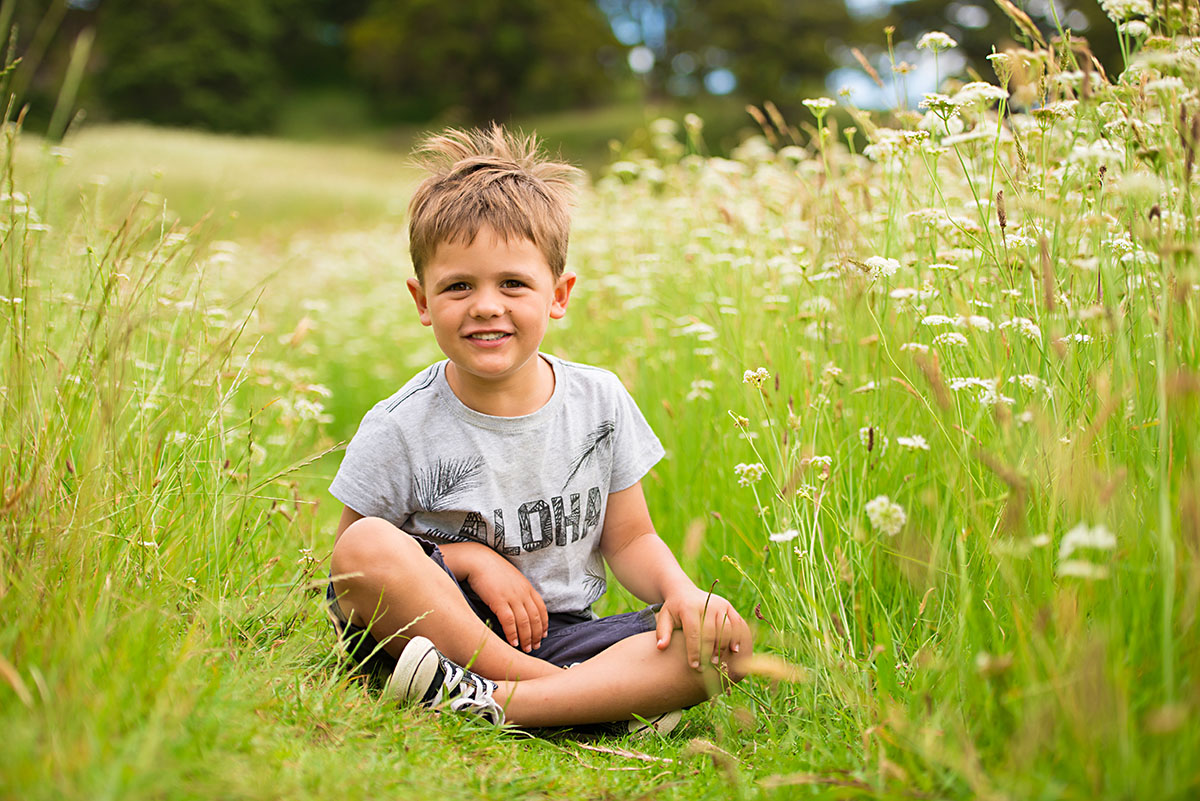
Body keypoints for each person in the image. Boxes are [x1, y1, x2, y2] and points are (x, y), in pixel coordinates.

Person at [327, 125, 752, 731]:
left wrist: (682, 593)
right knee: (367, 544)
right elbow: (350, 568)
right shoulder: (401, 423)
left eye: (513, 284)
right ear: (422, 301)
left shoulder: (598, 399)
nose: (486, 305)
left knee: (724, 641)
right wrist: (465, 558)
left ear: (559, 293)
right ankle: (578, 700)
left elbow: (629, 541)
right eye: (458, 287)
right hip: (437, 639)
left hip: (566, 634)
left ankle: (498, 701)